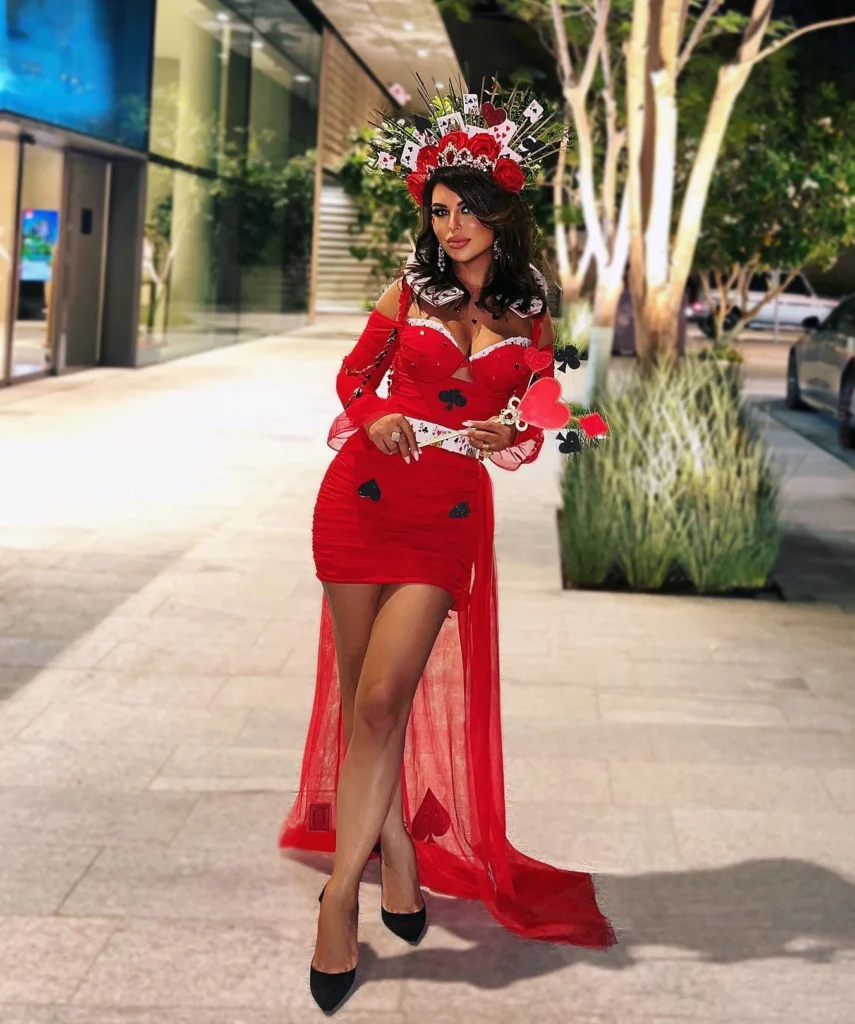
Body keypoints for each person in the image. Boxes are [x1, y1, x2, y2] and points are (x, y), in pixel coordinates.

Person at [279, 90, 616, 1014]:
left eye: (469, 208)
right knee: (363, 705)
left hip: (446, 522)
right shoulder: (406, 289)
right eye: (440, 209)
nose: (453, 225)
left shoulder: (533, 311)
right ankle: (390, 853)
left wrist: (519, 431)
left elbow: (535, 428)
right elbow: (353, 376)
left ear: (502, 210)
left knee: (385, 695)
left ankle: (337, 898)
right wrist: (376, 413)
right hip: (360, 500)